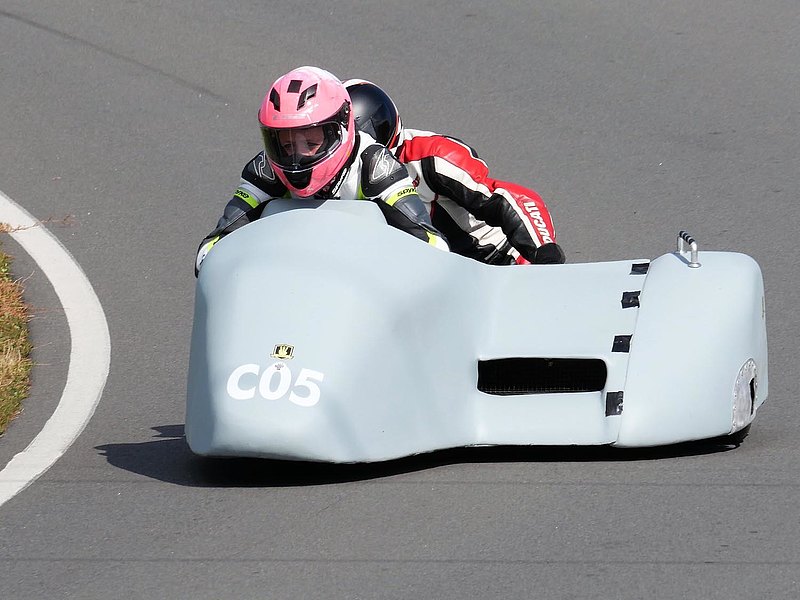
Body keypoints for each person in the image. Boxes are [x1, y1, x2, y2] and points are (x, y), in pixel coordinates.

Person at [195, 66, 448, 275]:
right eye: (286, 145)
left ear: (341, 127)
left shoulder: (375, 165)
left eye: (311, 142)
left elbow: (431, 244)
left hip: (364, 284)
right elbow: (214, 245)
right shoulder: (266, 169)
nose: (297, 158)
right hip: (290, 280)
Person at [344, 79, 565, 265]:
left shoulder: (432, 154)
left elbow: (508, 199)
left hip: (495, 263)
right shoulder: (334, 177)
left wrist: (544, 254)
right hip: (419, 268)